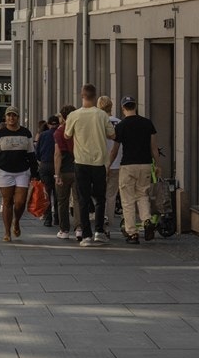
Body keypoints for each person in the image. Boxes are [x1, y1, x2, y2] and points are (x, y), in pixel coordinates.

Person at [65, 85, 116, 245]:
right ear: (95, 96)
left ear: (82, 95)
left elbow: (67, 135)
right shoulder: (102, 115)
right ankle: (99, 231)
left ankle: (86, 235)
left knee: (83, 199)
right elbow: (112, 134)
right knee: (100, 198)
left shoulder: (74, 115)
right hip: (99, 162)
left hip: (81, 162)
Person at [114, 98, 158, 244]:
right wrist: (157, 165)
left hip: (128, 165)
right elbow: (154, 147)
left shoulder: (121, 126)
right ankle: (146, 220)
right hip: (145, 164)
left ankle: (132, 233)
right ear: (135, 106)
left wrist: (108, 164)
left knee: (127, 200)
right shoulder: (147, 123)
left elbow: (115, 150)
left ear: (123, 108)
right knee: (143, 195)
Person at [0, 108, 34, 243]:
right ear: (5, 117)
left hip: (22, 170)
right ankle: (7, 231)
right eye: (9, 115)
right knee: (7, 202)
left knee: (20, 202)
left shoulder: (26, 133)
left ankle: (17, 221)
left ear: (18, 117)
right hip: (4, 171)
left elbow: (31, 153)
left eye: (14, 115)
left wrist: (35, 173)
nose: (11, 118)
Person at [53, 108, 76, 239]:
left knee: (62, 201)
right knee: (78, 200)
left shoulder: (60, 131)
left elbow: (58, 154)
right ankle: (79, 228)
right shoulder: (79, 129)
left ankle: (64, 230)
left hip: (64, 169)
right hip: (78, 167)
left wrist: (57, 174)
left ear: (63, 117)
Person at [101, 96, 122, 234]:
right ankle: (109, 220)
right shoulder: (120, 123)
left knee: (100, 194)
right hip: (117, 163)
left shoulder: (99, 122)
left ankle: (101, 220)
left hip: (101, 163)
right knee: (111, 195)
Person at [33, 113, 57, 226]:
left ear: (48, 124)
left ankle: (48, 219)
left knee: (47, 192)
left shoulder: (43, 135)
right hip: (58, 166)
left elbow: (37, 152)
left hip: (45, 165)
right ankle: (58, 218)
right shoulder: (61, 134)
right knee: (59, 194)